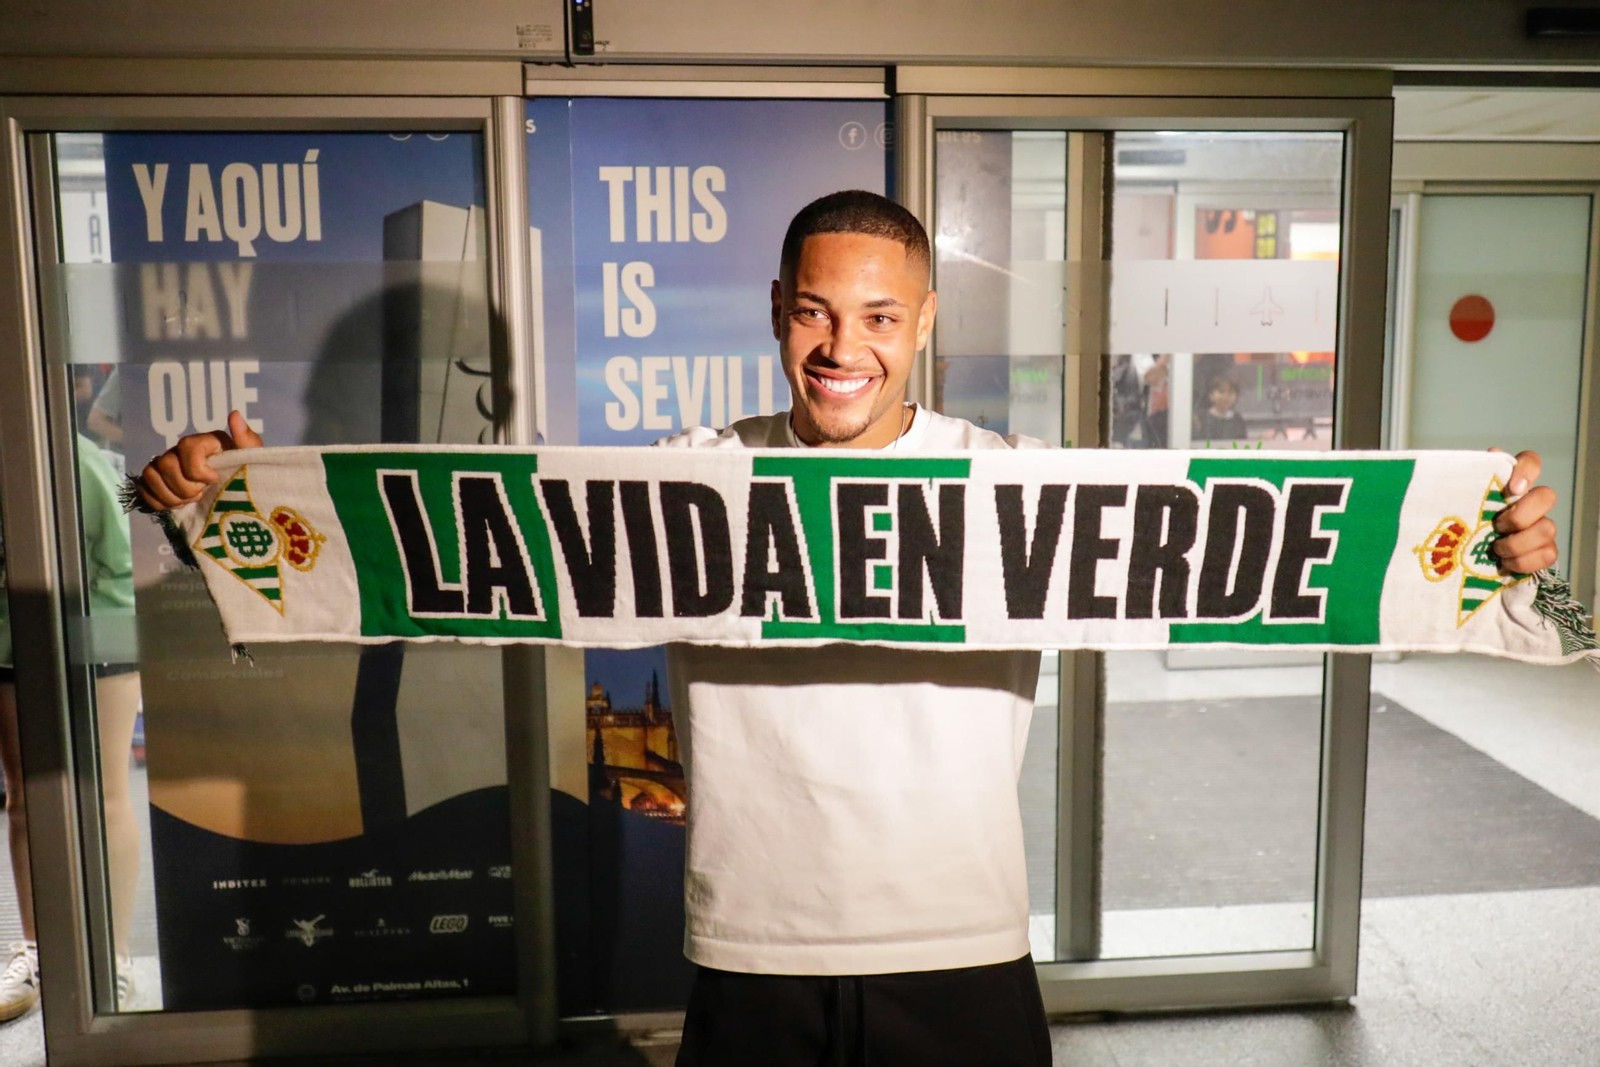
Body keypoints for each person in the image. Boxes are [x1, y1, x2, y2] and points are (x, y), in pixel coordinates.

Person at [134, 191, 1563, 1066]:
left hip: (961, 949)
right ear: (775, 312)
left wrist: (1490, 561)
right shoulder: (692, 472)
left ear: (923, 322)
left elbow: (1287, 542)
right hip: (754, 950)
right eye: (816, 312)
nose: (843, 345)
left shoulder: (1015, 486)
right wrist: (222, 512)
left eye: (878, 315)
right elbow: (467, 537)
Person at [2, 434, 145, 1023]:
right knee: (26, 803)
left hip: (96, 635)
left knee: (105, 795)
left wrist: (85, 630)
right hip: (12, 639)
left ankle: (112, 957)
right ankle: (39, 952)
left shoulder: (68, 455)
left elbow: (122, 560)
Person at [1195, 372, 1248, 442]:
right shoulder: (1202, 418)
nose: (1225, 396)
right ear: (1211, 395)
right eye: (1221, 391)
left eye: (1230, 392)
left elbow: (1242, 443)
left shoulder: (1238, 419)